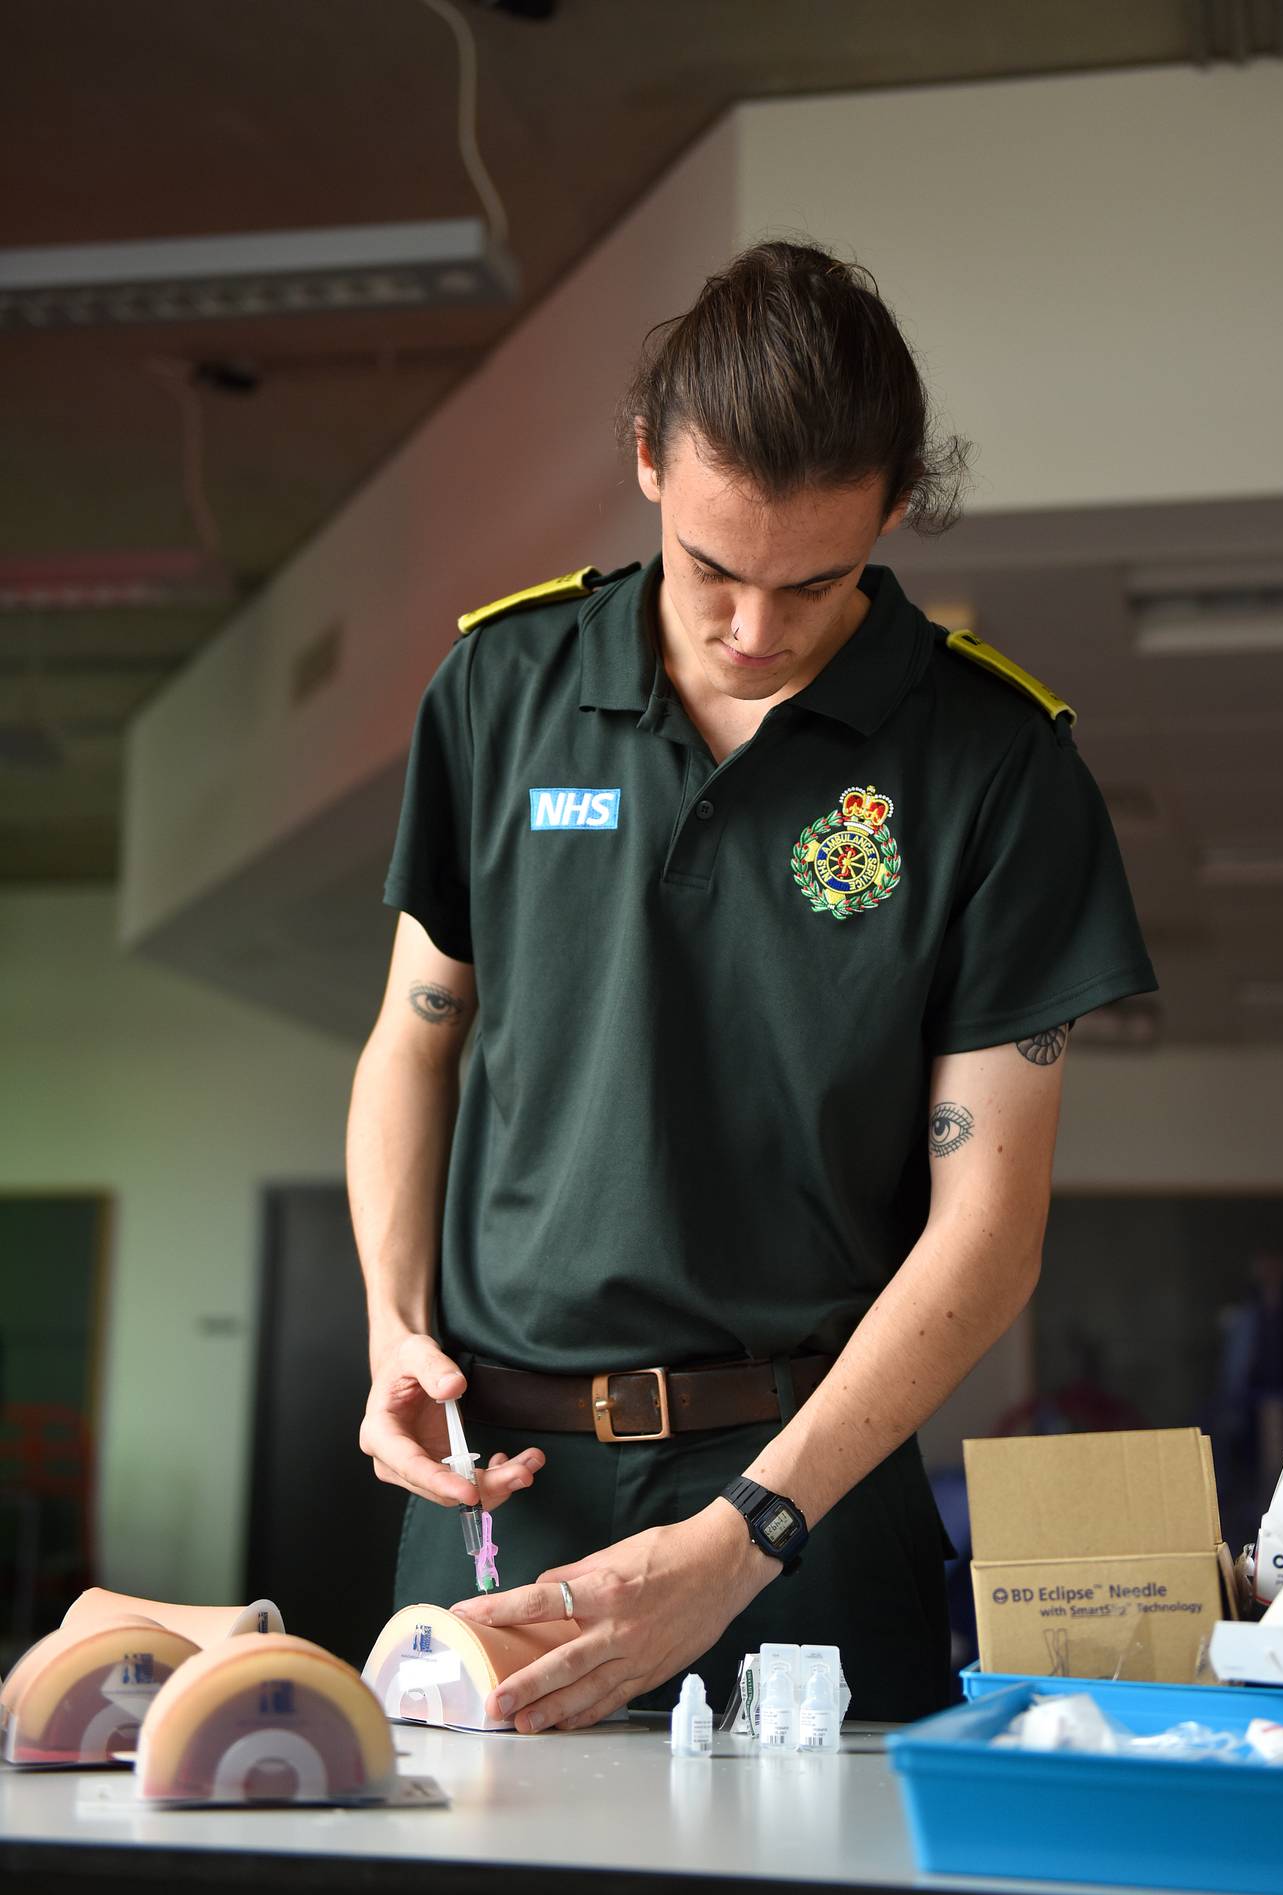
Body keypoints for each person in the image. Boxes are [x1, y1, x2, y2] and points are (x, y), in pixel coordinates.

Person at [347, 240, 1157, 1733]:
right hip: (502, 1483)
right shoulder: (499, 689)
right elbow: (413, 1037)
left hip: (803, 1496)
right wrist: (395, 1328)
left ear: (894, 509)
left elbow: (988, 1231)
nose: (755, 633)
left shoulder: (996, 765)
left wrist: (744, 1539)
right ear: (647, 462)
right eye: (711, 570)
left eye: (814, 583)